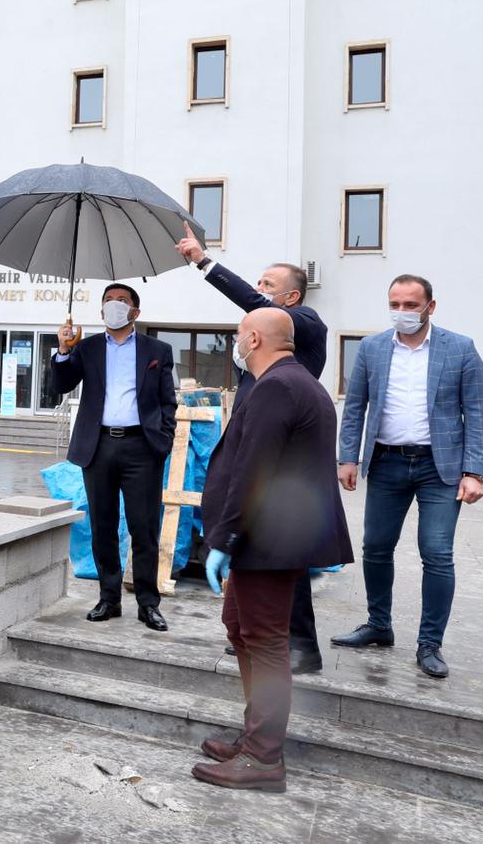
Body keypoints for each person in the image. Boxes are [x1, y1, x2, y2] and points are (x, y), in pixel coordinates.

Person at [193, 308, 353, 792]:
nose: (236, 345)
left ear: (255, 339)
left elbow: (252, 469)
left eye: (239, 336)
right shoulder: (296, 382)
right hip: (267, 537)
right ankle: (254, 736)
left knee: (264, 640)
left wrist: (224, 539)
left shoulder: (278, 386)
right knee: (240, 627)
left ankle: (263, 758)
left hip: (267, 538)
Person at [175, 233, 329, 675]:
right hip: (258, 455)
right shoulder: (261, 356)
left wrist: (204, 262)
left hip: (279, 470)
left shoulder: (306, 323)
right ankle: (255, 634)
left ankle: (298, 647)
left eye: (267, 284)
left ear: (291, 297)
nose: (258, 290)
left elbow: (256, 306)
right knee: (259, 562)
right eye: (258, 283)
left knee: (282, 563)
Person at [331, 275, 483, 679]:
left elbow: (476, 411)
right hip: (386, 463)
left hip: (440, 467)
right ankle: (379, 625)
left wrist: (474, 471)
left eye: (410, 305)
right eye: (395, 304)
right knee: (376, 547)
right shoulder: (372, 348)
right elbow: (355, 406)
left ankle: (429, 643)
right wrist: (347, 458)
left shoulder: (460, 348)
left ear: (430, 307)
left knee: (436, 553)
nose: (401, 312)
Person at [50, 283, 177, 631]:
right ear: (100, 310)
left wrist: (163, 440)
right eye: (108, 300)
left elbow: (168, 401)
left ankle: (148, 604)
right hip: (99, 446)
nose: (114, 306)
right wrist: (63, 349)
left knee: (144, 528)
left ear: (135, 311)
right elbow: (60, 385)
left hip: (142, 448)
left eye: (122, 301)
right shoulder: (88, 348)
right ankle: (109, 599)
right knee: (102, 526)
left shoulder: (157, 350)